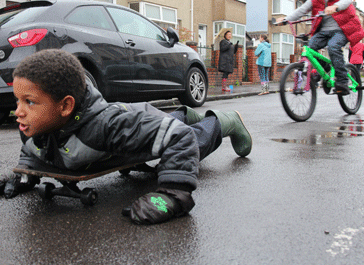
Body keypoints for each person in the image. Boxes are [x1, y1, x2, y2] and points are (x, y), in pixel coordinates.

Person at [0, 49, 252, 225]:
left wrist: (172, 196)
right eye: (17, 101)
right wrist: (25, 176)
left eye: (30, 102)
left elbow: (180, 138)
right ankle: (185, 113)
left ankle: (224, 120)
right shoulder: (33, 129)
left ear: (65, 106)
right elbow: (34, 152)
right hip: (139, 123)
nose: (18, 112)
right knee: (170, 124)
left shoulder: (107, 127)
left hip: (137, 126)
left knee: (191, 142)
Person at [277, 0, 364, 95]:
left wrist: (335, 6)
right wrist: (286, 19)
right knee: (310, 48)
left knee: (333, 46)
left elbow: (346, 1)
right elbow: (302, 10)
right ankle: (325, 69)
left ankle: (342, 81)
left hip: (342, 29)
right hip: (323, 31)